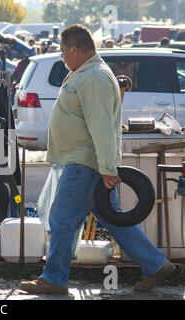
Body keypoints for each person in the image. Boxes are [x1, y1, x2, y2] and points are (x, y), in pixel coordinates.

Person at [19, 24, 175, 295]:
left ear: (74, 49)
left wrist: (106, 168)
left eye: (63, 51)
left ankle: (54, 279)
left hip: (85, 162)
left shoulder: (93, 77)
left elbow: (101, 126)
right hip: (86, 161)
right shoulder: (87, 73)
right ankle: (155, 264)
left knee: (61, 219)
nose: (62, 57)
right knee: (112, 218)